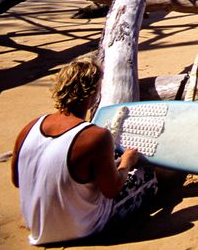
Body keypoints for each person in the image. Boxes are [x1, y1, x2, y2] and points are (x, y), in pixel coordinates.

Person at [10, 58, 158, 245]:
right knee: (147, 175)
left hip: (38, 227)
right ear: (93, 92)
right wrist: (127, 162)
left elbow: (17, 180)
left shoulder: (29, 127)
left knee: (99, 165)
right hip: (83, 228)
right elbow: (112, 190)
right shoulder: (95, 136)